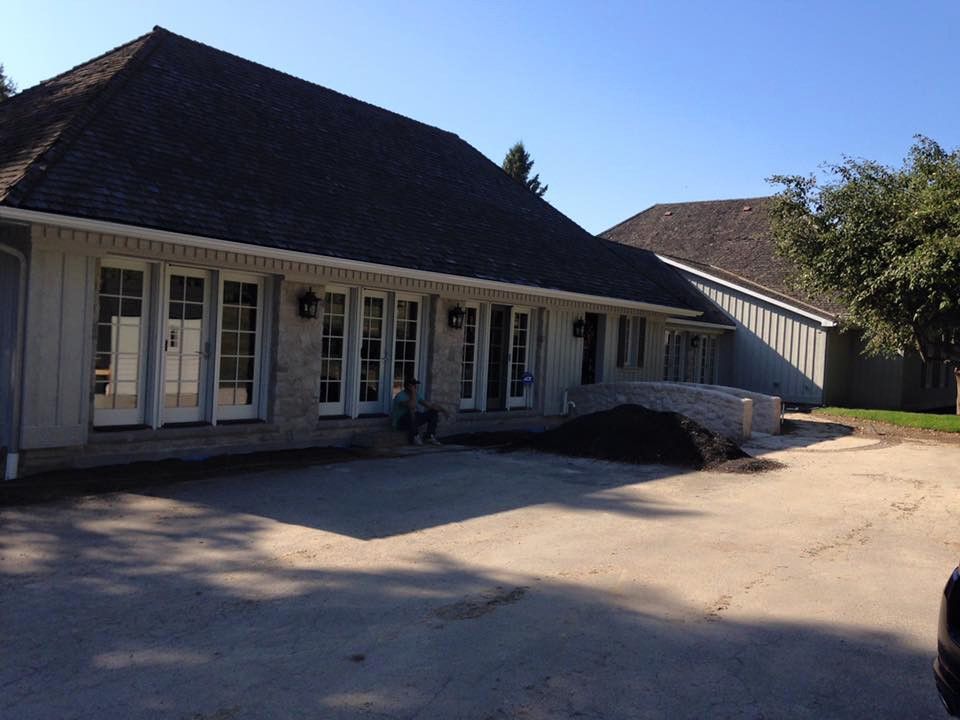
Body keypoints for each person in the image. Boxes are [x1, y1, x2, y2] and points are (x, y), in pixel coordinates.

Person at [391, 377, 447, 445]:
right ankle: (415, 436)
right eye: (414, 385)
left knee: (433, 412)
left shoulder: (416, 395)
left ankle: (429, 436)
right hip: (400, 422)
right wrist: (413, 392)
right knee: (411, 411)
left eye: (415, 385)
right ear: (409, 386)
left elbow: (430, 405)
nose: (416, 387)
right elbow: (412, 405)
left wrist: (444, 410)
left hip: (412, 420)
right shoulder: (400, 396)